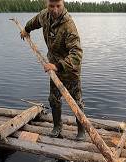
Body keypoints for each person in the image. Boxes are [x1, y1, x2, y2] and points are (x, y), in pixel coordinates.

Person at [20, 0, 85, 141]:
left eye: (58, 6)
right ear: (46, 4)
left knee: (76, 101)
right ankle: (57, 126)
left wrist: (57, 66)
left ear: (63, 4)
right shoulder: (45, 16)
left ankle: (81, 130)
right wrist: (26, 29)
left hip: (70, 69)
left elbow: (77, 54)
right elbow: (35, 21)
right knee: (54, 99)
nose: (55, 10)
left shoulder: (69, 25)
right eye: (51, 6)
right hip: (53, 67)